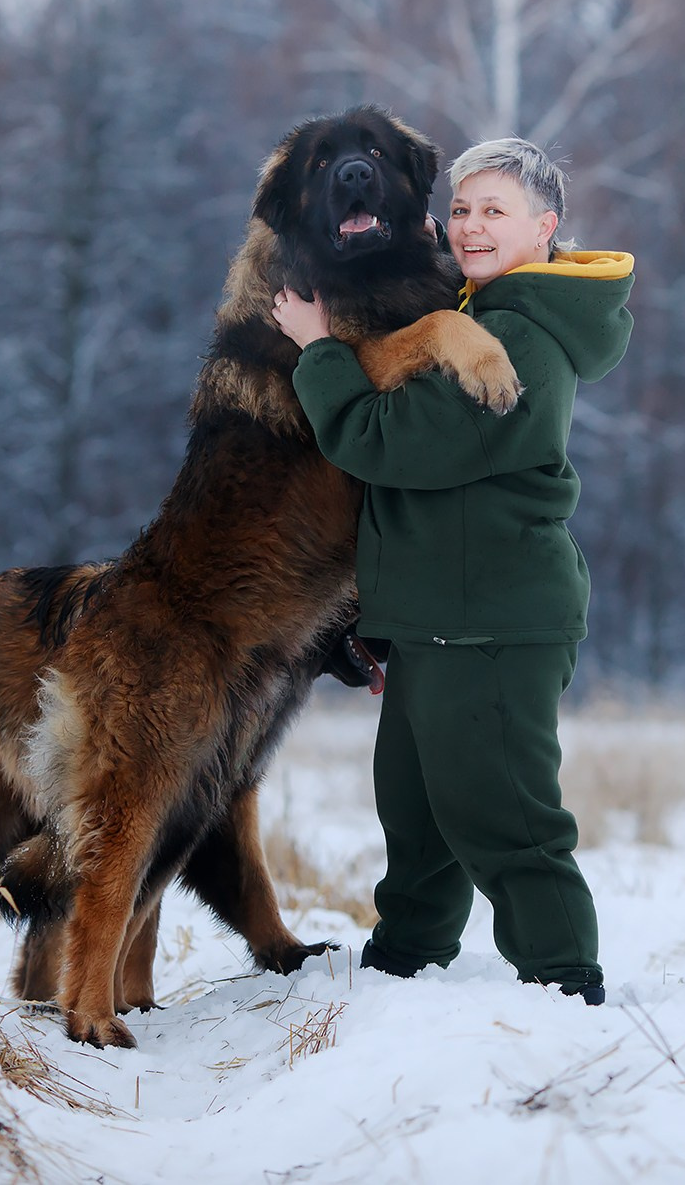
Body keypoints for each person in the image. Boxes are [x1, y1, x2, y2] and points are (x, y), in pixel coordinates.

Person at [271, 136, 635, 1005]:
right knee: (420, 818)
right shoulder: (485, 309)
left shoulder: (520, 338)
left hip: (495, 619)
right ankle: (404, 972)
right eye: (461, 209)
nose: (471, 227)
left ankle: (564, 986)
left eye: (495, 211)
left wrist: (319, 347)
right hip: (441, 614)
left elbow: (389, 444)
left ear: (546, 226)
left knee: (505, 817)